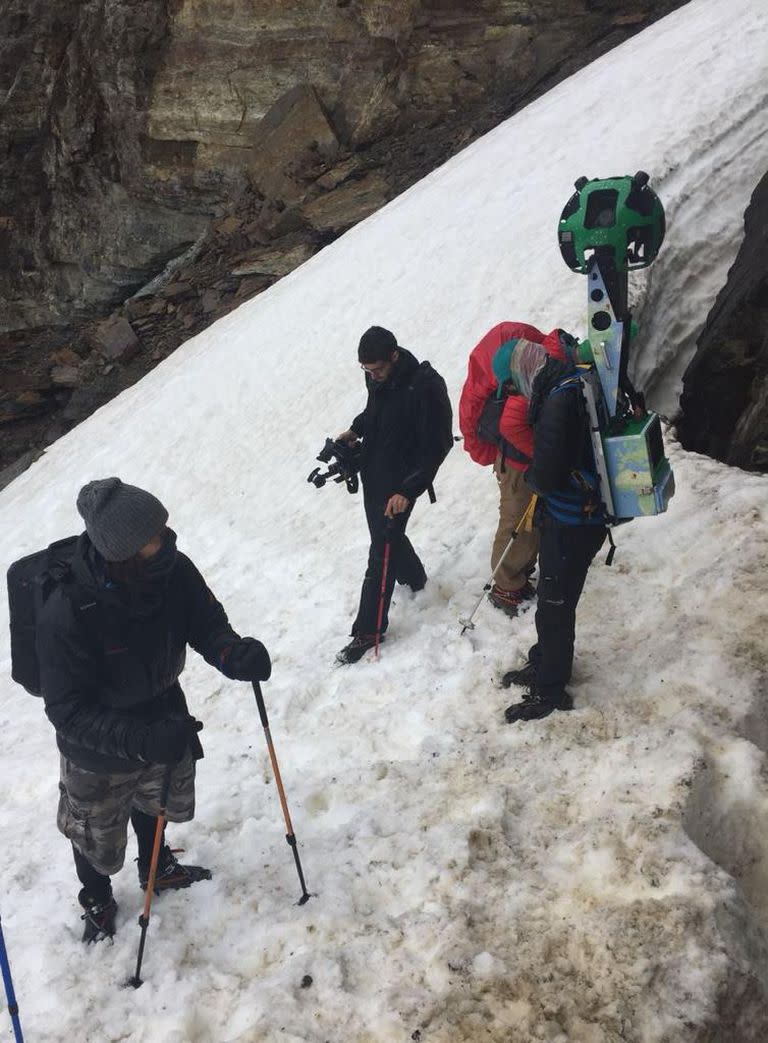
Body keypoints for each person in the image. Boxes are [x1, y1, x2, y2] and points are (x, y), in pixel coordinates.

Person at [37, 478, 272, 942]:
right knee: (93, 832)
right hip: (96, 745)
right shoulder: (67, 609)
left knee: (154, 800)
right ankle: (98, 900)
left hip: (162, 711)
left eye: (162, 530)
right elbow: (66, 709)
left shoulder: (172, 569)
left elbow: (206, 623)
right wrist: (139, 740)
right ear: (119, 552)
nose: (165, 541)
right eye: (151, 538)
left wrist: (232, 653)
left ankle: (156, 867)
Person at [499, 341, 607, 723]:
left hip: (574, 519)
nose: (515, 394)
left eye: (511, 386)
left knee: (556, 606)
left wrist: (529, 477)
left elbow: (545, 475)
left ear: (521, 373)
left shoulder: (557, 402)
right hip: (576, 515)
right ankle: (545, 662)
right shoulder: (571, 380)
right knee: (552, 601)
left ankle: (550, 690)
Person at [334, 326, 452, 665]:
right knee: (384, 537)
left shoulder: (425, 386)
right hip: (375, 472)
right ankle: (416, 581)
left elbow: (437, 445)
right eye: (367, 371)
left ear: (394, 356)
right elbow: (376, 412)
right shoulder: (378, 378)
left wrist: (408, 490)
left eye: (378, 369)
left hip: (402, 481)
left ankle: (368, 630)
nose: (373, 376)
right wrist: (356, 430)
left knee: (381, 549)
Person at [459, 323, 575, 617]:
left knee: (526, 519)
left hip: (523, 456)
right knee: (518, 520)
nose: (509, 390)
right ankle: (506, 586)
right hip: (515, 460)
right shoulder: (526, 375)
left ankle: (515, 577)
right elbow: (484, 416)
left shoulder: (530, 372)